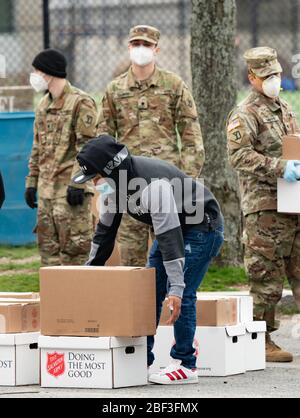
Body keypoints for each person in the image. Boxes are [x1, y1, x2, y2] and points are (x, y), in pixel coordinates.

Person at [72, 135, 224, 385]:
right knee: (149, 292)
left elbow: (170, 238)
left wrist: (174, 287)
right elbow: (104, 235)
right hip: (172, 230)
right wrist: (89, 275)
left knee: (181, 294)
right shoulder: (113, 187)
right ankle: (142, 357)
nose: (94, 185)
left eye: (96, 178)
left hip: (201, 227)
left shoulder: (152, 186)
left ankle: (186, 364)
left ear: (111, 170)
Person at [97, 25, 205, 267]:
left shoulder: (174, 85)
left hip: (166, 182)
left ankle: (170, 301)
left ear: (157, 49)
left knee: (171, 253)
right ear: (128, 48)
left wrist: (187, 179)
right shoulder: (115, 89)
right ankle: (135, 304)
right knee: (131, 258)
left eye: (146, 45)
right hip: (128, 183)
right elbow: (103, 138)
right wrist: (106, 176)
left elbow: (191, 136)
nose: (141, 49)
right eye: (136, 44)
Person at [227, 46, 300, 363]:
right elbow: (239, 157)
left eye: (277, 74)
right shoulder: (245, 114)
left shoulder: (284, 109)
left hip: (293, 203)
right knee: (266, 277)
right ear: (252, 77)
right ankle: (262, 338)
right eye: (267, 75)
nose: (274, 80)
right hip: (265, 209)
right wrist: (279, 167)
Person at [25, 49, 98, 266]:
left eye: (37, 70)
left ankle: (79, 300)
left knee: (75, 254)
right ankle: (55, 300)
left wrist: (78, 183)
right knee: (48, 257)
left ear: (49, 72)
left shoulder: (80, 102)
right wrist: (31, 183)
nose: (34, 76)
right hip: (47, 193)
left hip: (70, 193)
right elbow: (37, 147)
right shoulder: (43, 105)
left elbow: (88, 148)